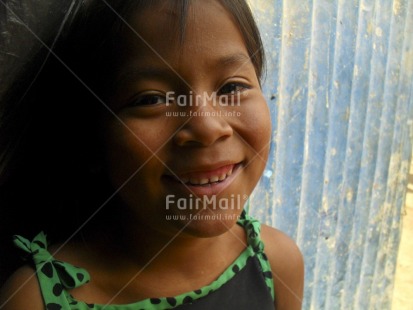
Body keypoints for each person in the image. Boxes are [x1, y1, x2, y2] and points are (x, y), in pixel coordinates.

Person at [0, 0, 304, 309]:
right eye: (151, 98)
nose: (207, 127)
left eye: (230, 88)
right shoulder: (36, 300)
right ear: (91, 137)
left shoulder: (277, 262)